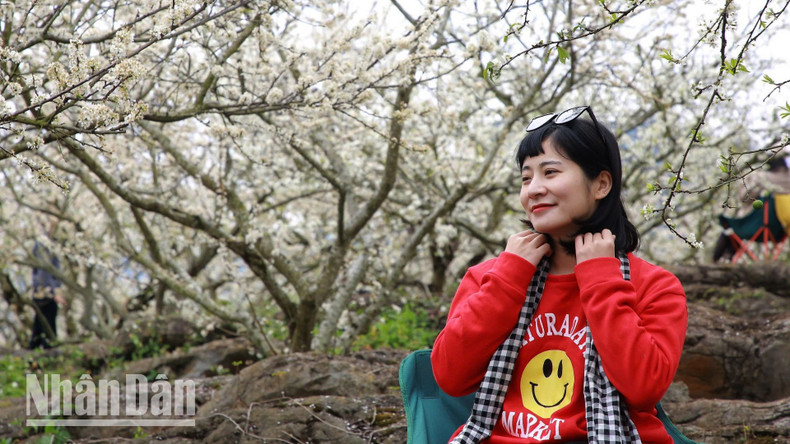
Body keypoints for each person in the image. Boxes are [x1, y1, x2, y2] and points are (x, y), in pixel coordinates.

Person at [431, 106, 687, 443]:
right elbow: (451, 376)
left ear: (601, 184)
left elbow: (643, 388)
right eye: (526, 177)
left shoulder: (653, 286)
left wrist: (600, 278)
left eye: (550, 172)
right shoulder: (490, 277)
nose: (534, 189)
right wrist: (509, 278)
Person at [712, 156, 790, 262]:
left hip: (760, 225)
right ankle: (726, 259)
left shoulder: (764, 178)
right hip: (782, 231)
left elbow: (744, 198)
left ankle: (716, 261)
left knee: (730, 229)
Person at [28, 241, 66, 349]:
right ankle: (41, 353)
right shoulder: (41, 246)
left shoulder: (51, 244)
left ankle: (37, 351)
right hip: (44, 294)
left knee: (43, 328)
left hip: (45, 293)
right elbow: (41, 274)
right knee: (42, 328)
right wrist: (53, 291)